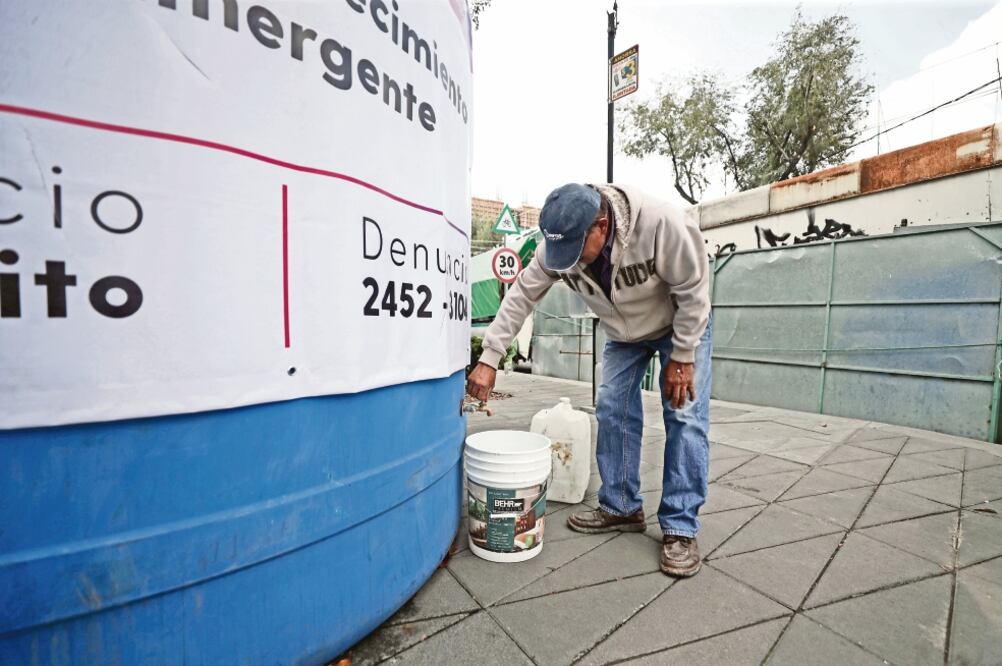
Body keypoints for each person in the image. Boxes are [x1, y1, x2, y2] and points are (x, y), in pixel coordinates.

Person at [466, 183, 712, 577]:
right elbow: (521, 297)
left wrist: (683, 356)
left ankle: (680, 527)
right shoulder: (559, 247)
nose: (569, 264)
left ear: (601, 225)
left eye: (577, 253)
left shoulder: (663, 223)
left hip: (679, 323)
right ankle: (621, 506)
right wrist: (490, 357)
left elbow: (694, 291)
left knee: (684, 415)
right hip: (623, 333)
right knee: (612, 407)